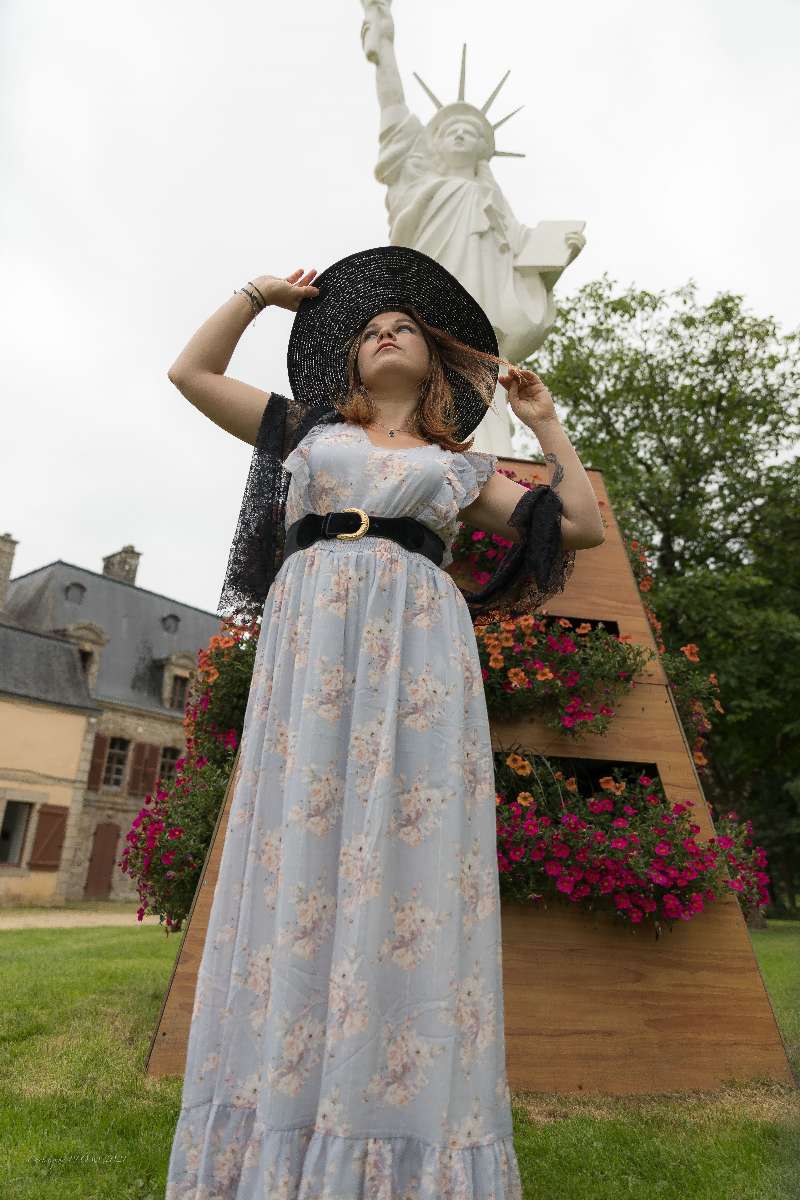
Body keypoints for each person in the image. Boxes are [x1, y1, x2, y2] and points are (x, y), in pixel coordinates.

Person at [163, 245, 604, 1199]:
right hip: (313, 640)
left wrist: (546, 424)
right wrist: (258, 296)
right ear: (351, 360)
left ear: (433, 360)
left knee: (408, 845)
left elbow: (578, 527)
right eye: (369, 330)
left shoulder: (459, 467)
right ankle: (279, 1116)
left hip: (419, 652)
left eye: (402, 325)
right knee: (299, 836)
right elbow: (190, 374)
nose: (386, 333)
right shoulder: (306, 429)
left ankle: (394, 1131)